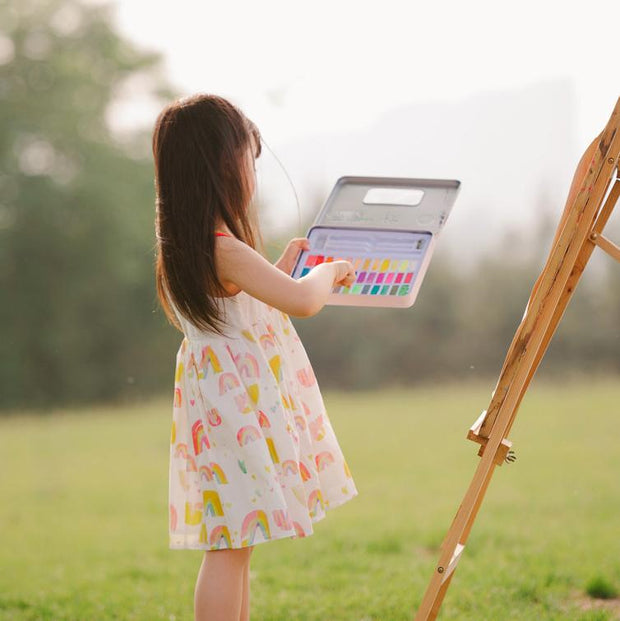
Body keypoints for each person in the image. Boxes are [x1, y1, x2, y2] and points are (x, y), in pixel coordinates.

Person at [152, 93, 359, 621]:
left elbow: (243, 307)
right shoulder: (221, 247)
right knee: (227, 547)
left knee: (236, 543)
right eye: (248, 158)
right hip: (233, 412)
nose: (252, 172)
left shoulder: (192, 245)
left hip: (220, 408)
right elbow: (305, 302)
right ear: (222, 166)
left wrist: (282, 268)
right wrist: (329, 272)